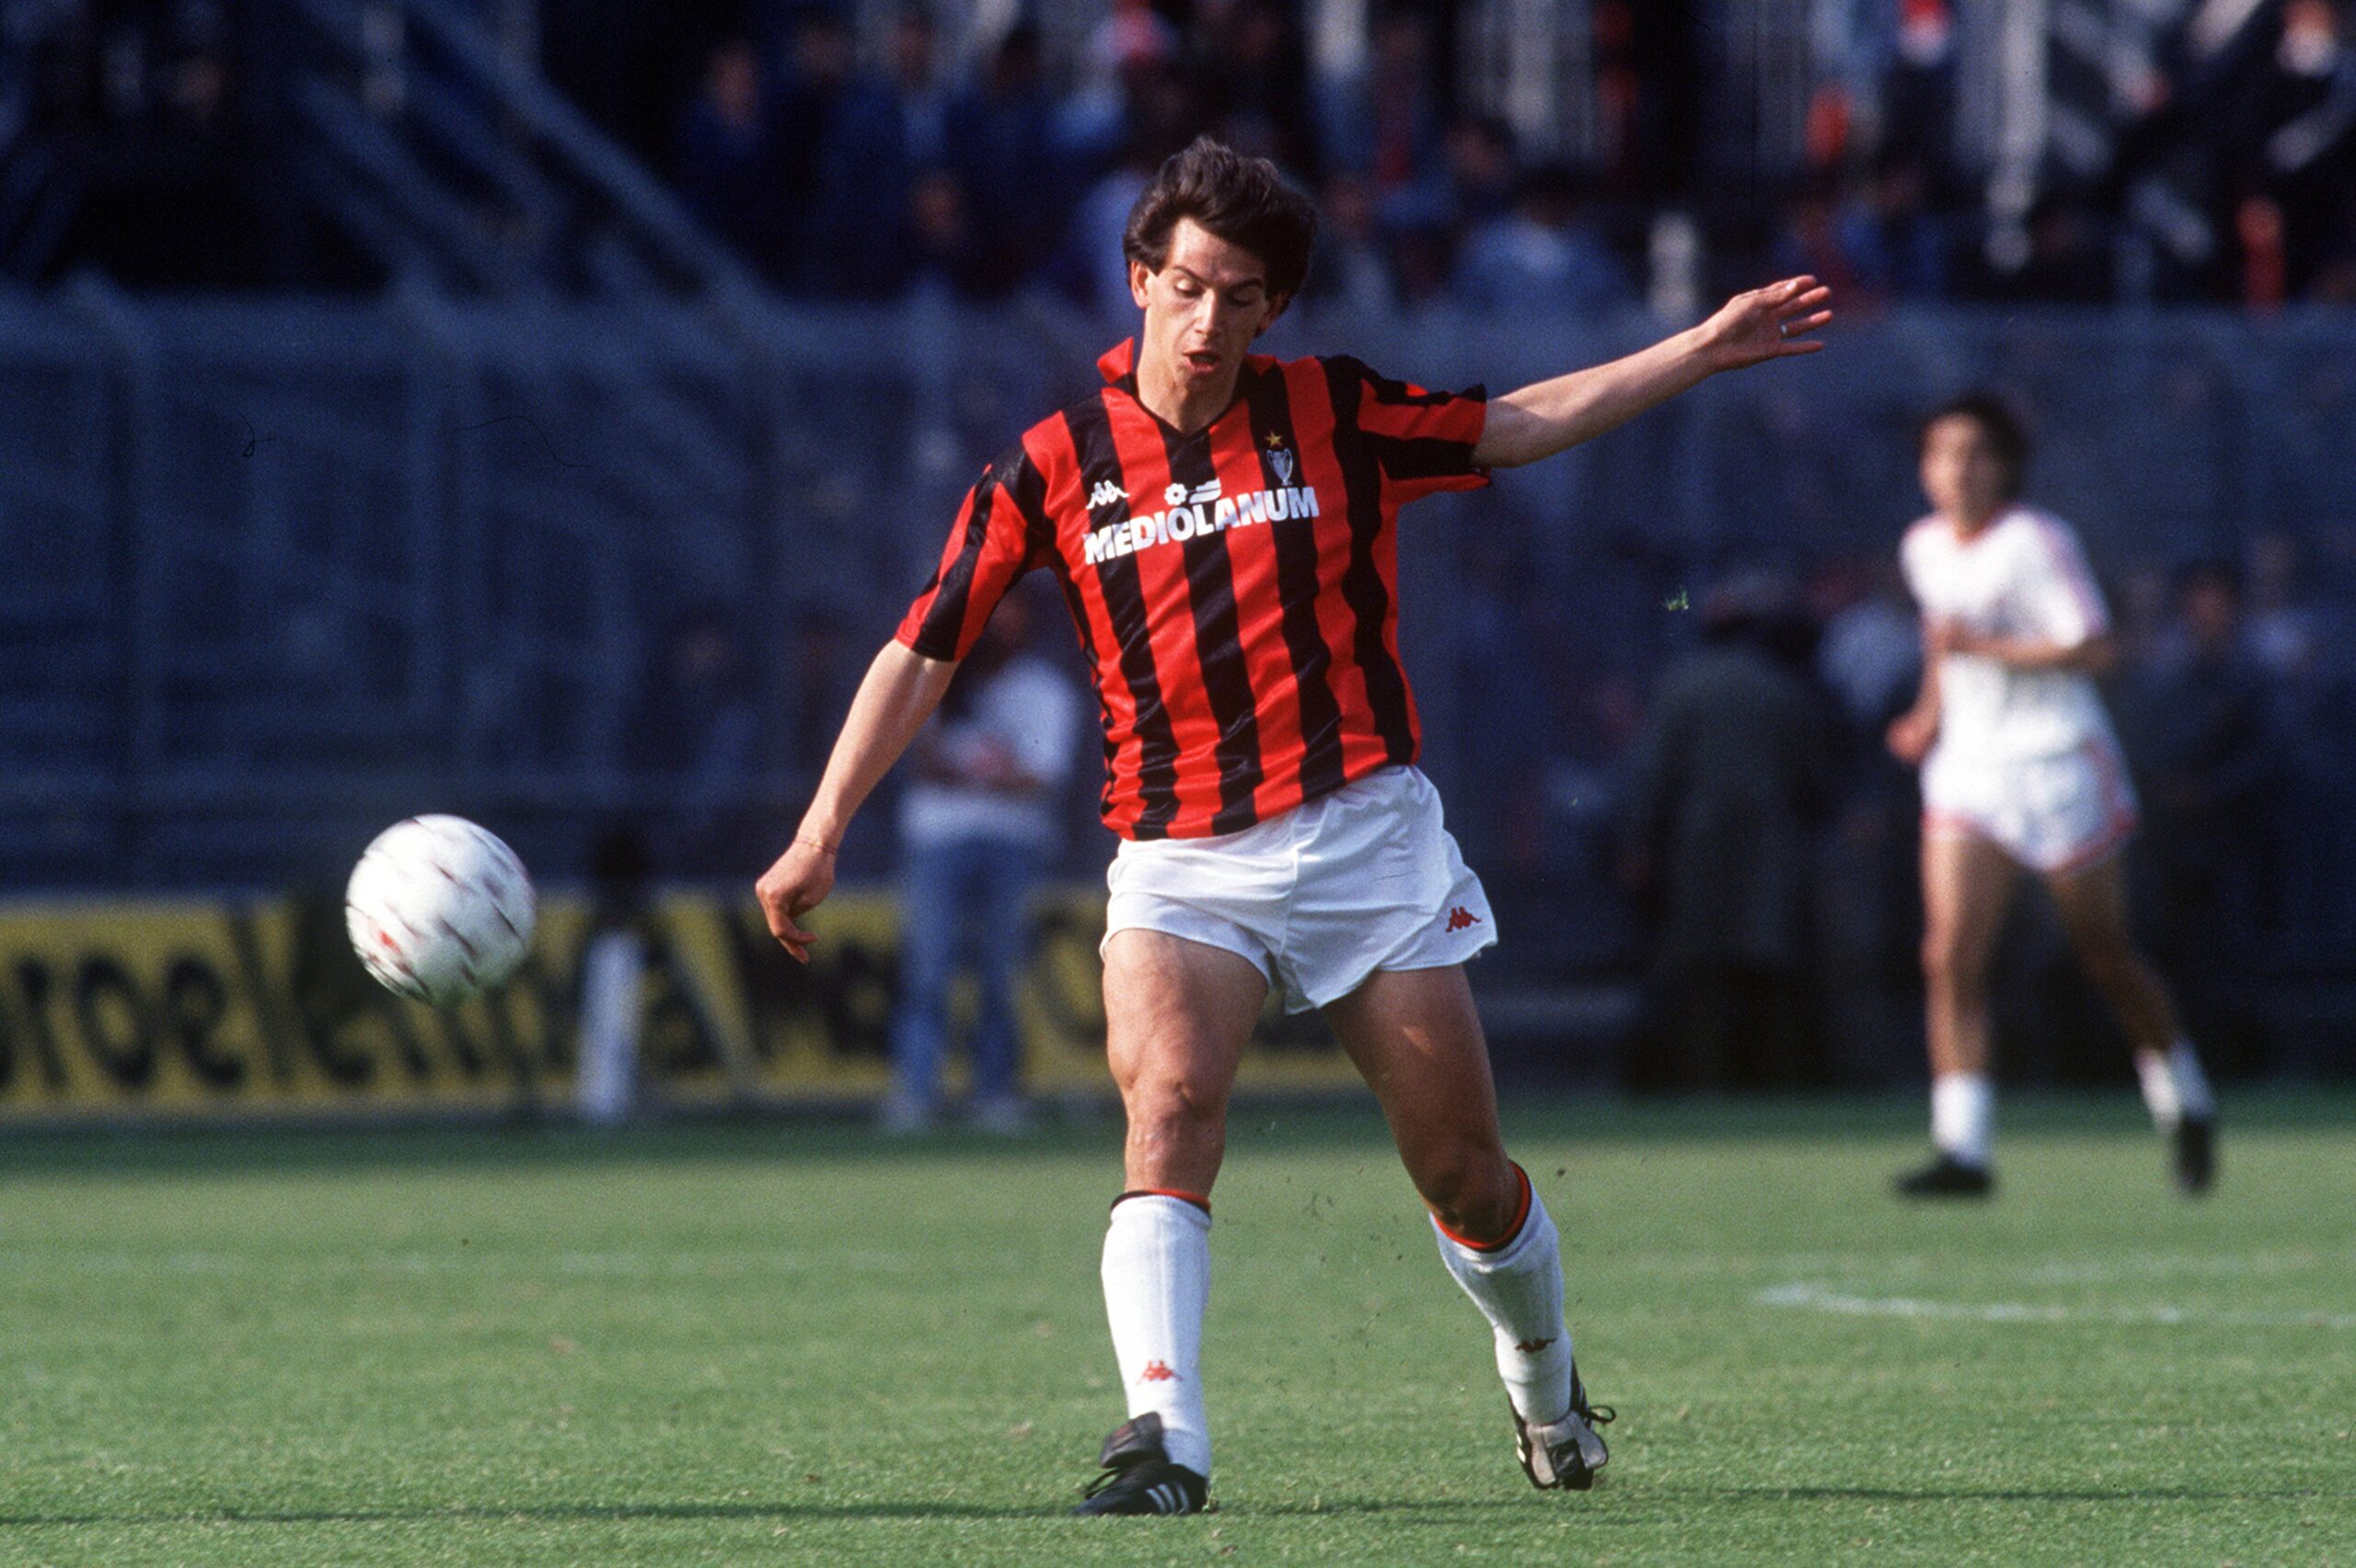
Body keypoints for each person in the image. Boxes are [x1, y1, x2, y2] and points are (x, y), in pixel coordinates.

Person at [756, 137, 1831, 1515]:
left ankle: (1545, 1381)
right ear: (1139, 279)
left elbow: (1515, 421)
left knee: (1464, 1175)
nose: (1209, 320)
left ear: (1273, 309)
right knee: (1169, 1109)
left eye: (1241, 296)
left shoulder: (1333, 410)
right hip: (1181, 859)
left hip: (1362, 840)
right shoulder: (1049, 465)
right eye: (1188, 285)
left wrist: (1698, 348)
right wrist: (821, 828)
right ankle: (1164, 1441)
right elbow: (923, 645)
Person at [1885, 393, 2218, 1199]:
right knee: (1949, 953)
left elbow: (2095, 648)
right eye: (1943, 454)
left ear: (2004, 467)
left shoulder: (2037, 541)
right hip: (1970, 770)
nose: (1959, 470)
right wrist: (1927, 717)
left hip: (2056, 762)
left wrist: (1984, 645)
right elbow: (1942, 645)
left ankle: (2185, 1100)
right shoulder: (1922, 545)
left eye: (1976, 454)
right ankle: (1963, 1149)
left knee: (2104, 954)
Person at [882, 584, 1082, 1134]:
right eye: (993, 612)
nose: (1000, 624)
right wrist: (993, 776)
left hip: (1012, 843)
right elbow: (915, 760)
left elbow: (1043, 779)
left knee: (1000, 968)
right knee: (928, 965)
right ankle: (915, 1093)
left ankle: (994, 1092)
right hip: (936, 839)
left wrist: (968, 775)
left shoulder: (1044, 690)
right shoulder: (937, 677)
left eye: (1012, 612)